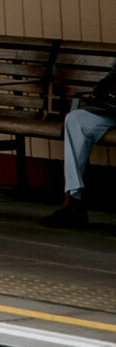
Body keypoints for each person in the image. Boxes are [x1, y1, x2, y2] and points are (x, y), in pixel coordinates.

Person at [41, 63, 116, 229]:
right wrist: (104, 87)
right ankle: (73, 200)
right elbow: (113, 74)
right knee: (75, 120)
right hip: (111, 110)